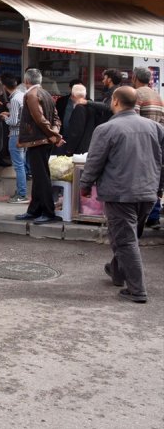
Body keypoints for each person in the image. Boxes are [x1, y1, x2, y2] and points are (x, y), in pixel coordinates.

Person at [80, 86, 164, 304]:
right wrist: (159, 187)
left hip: (120, 194)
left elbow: (94, 161)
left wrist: (85, 185)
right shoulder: (156, 128)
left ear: (115, 101)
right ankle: (117, 271)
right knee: (128, 235)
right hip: (148, 193)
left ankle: (137, 290)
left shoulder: (106, 129)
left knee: (126, 240)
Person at [14, 68, 65, 224]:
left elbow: (39, 119)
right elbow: (56, 119)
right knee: (38, 177)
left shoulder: (31, 94)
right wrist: (54, 134)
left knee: (41, 177)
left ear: (26, 81)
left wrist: (53, 136)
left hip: (38, 141)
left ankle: (48, 212)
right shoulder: (46, 93)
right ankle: (34, 210)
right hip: (44, 140)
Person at [132, 66, 164, 229]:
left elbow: (134, 120)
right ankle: (154, 216)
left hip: (142, 143)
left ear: (135, 78)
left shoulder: (136, 94)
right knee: (155, 178)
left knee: (140, 179)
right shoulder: (157, 96)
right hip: (157, 142)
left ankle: (140, 217)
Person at [0, 73, 29, 203]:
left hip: (16, 135)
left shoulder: (15, 99)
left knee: (18, 166)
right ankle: (21, 192)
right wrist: (10, 114)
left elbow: (13, 122)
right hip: (24, 135)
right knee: (21, 164)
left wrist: (5, 117)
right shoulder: (23, 96)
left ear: (4, 86)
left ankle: (21, 194)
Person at [64, 85, 111, 156]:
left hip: (80, 149)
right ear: (85, 94)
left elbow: (76, 131)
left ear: (73, 95)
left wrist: (69, 149)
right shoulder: (92, 107)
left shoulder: (79, 108)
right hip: (91, 146)